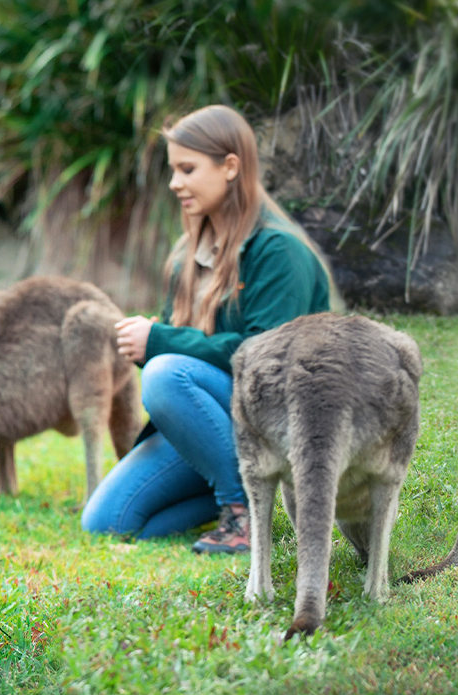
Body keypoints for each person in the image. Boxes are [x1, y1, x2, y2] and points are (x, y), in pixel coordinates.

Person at [81, 104, 339, 553]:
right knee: (106, 522)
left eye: (187, 169)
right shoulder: (187, 253)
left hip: (274, 417)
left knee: (166, 373)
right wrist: (154, 340)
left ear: (231, 167)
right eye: (173, 170)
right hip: (217, 421)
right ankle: (230, 494)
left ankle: (243, 513)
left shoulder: (279, 251)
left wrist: (157, 340)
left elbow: (267, 354)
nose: (174, 183)